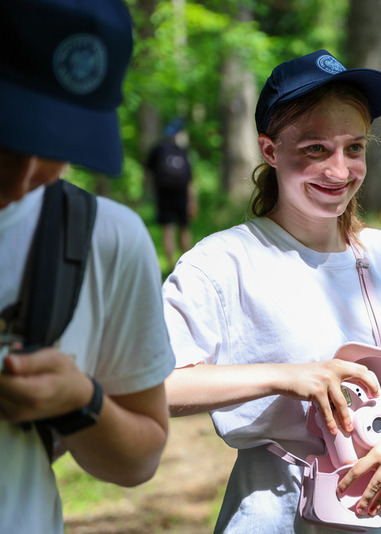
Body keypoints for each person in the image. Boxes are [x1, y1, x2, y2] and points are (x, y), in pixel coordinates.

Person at [162, 49, 381, 533]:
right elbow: (155, 385)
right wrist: (285, 377)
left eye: (353, 148)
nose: (339, 172)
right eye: (316, 149)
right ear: (270, 151)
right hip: (280, 513)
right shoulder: (222, 263)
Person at [0, 1, 176, 532]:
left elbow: (139, 458)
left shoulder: (103, 239)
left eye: (57, 141)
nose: (24, 177)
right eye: (9, 133)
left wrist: (80, 402)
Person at [145, 117, 196, 266]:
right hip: (181, 193)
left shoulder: (157, 149)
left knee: (168, 229)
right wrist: (192, 201)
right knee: (184, 228)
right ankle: (189, 265)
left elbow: (148, 172)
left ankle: (171, 265)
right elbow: (190, 180)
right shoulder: (182, 151)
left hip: (163, 193)